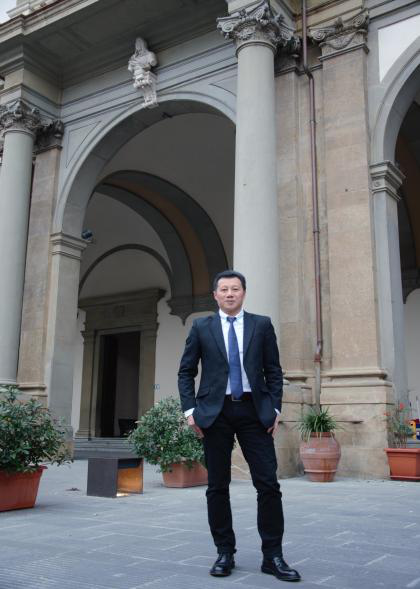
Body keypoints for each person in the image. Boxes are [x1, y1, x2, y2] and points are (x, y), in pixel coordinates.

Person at [178, 270, 301, 583]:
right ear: (215, 295)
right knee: (217, 486)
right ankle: (224, 552)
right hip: (214, 413)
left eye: (235, 289)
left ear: (243, 293)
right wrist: (190, 411)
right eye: (224, 289)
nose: (230, 294)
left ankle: (273, 556)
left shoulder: (261, 325)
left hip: (253, 411)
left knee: (268, 484)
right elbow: (186, 371)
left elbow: (273, 370)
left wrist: (274, 408)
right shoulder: (202, 327)